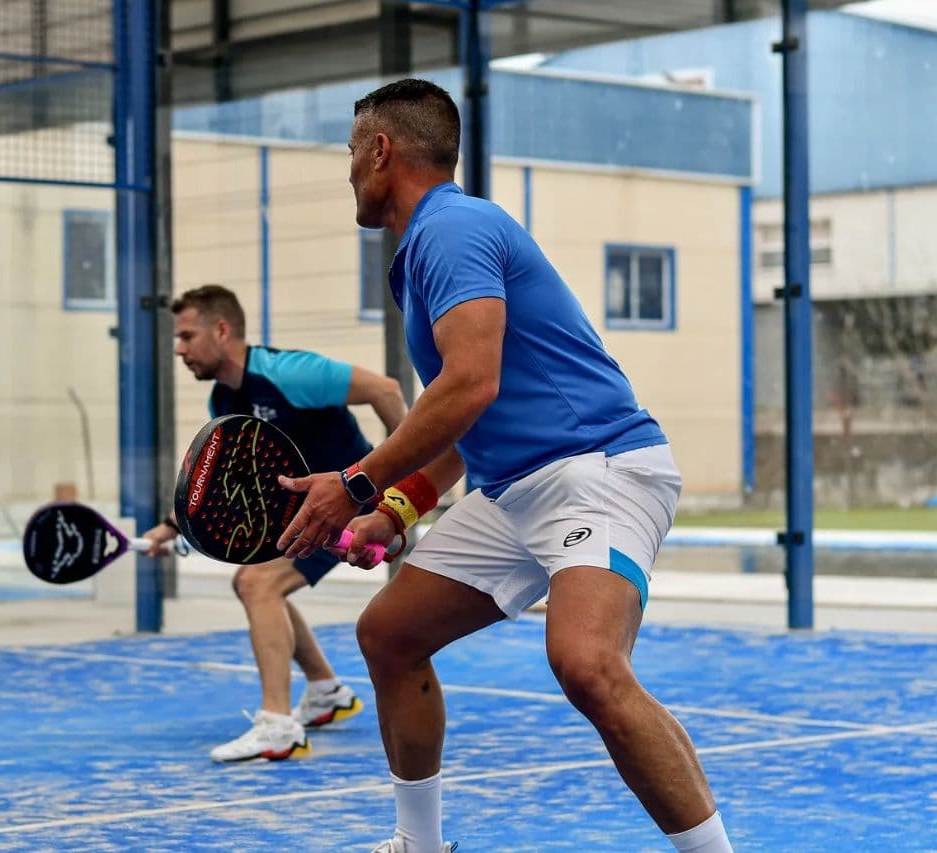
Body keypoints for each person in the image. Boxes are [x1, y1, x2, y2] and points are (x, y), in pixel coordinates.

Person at [275, 80, 734, 853]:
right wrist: (395, 509)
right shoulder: (427, 249)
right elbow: (469, 415)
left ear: (382, 151)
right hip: (517, 488)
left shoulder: (453, 227)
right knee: (388, 634)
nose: (347, 170)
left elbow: (468, 385)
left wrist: (355, 483)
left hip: (599, 467)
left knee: (586, 663)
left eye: (352, 152)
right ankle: (419, 844)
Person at [140, 284, 408, 762]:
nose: (178, 349)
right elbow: (222, 483)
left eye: (186, 336)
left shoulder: (289, 373)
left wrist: (399, 494)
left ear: (222, 331)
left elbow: (385, 390)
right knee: (258, 584)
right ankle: (326, 690)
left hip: (352, 506)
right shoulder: (223, 401)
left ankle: (278, 726)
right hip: (306, 516)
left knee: (257, 583)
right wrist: (170, 527)